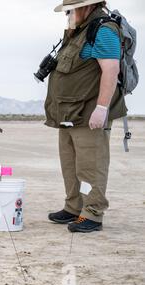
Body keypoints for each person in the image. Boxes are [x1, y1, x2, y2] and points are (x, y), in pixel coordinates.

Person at [45, 0, 127, 233]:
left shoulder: (103, 29)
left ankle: (92, 213)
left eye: (70, 11)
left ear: (87, 7)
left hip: (88, 113)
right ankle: (73, 207)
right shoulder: (79, 30)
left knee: (91, 165)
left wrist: (101, 108)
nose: (67, 15)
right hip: (69, 112)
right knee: (70, 164)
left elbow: (111, 69)